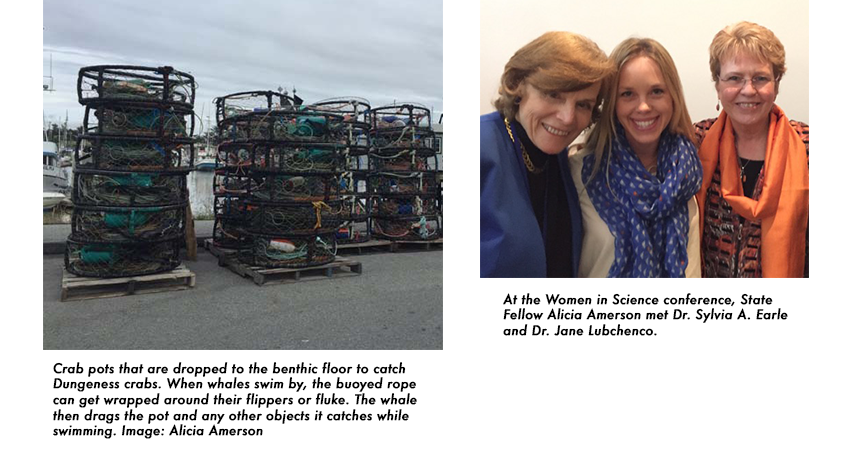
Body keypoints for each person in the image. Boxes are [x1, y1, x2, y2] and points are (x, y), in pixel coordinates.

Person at [481, 32, 614, 277]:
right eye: (553, 94)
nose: (567, 118)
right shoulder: (480, 147)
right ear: (518, 84)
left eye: (583, 104)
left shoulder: (560, 161)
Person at [570, 38, 702, 277]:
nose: (643, 107)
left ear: (673, 97)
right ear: (612, 102)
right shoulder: (580, 173)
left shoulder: (688, 170)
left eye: (656, 92)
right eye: (628, 94)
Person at [694, 22, 809, 278]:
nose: (748, 90)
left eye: (760, 78)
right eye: (735, 78)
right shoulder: (694, 143)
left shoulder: (809, 147)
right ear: (718, 86)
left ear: (776, 84)